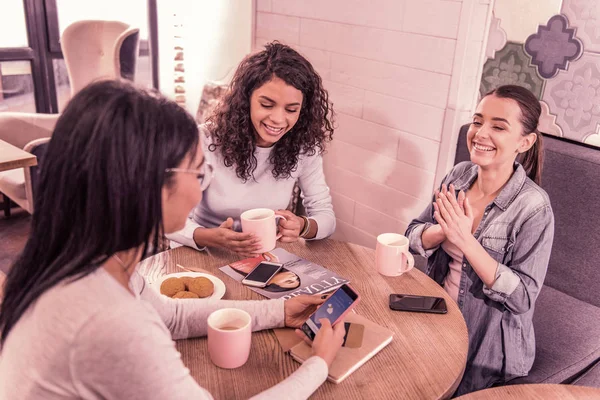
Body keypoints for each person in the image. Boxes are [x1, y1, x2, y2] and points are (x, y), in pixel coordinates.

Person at [0, 80, 345, 399]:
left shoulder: (94, 262)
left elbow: (174, 316)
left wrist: (281, 310)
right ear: (147, 184)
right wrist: (319, 365)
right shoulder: (111, 323)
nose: (202, 187)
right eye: (198, 171)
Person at [405, 85, 554, 395]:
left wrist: (466, 240)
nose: (481, 133)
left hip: (487, 352)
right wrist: (443, 230)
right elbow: (413, 235)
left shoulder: (534, 208)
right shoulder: (459, 176)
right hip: (438, 320)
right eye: (477, 121)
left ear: (524, 142)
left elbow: (523, 297)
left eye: (498, 126)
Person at [168, 42, 335, 256]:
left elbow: (325, 217)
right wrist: (208, 236)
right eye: (266, 105)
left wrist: (303, 226)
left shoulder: (304, 148)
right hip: (201, 253)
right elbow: (168, 217)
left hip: (262, 257)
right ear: (246, 100)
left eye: (291, 109)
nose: (278, 119)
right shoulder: (203, 140)